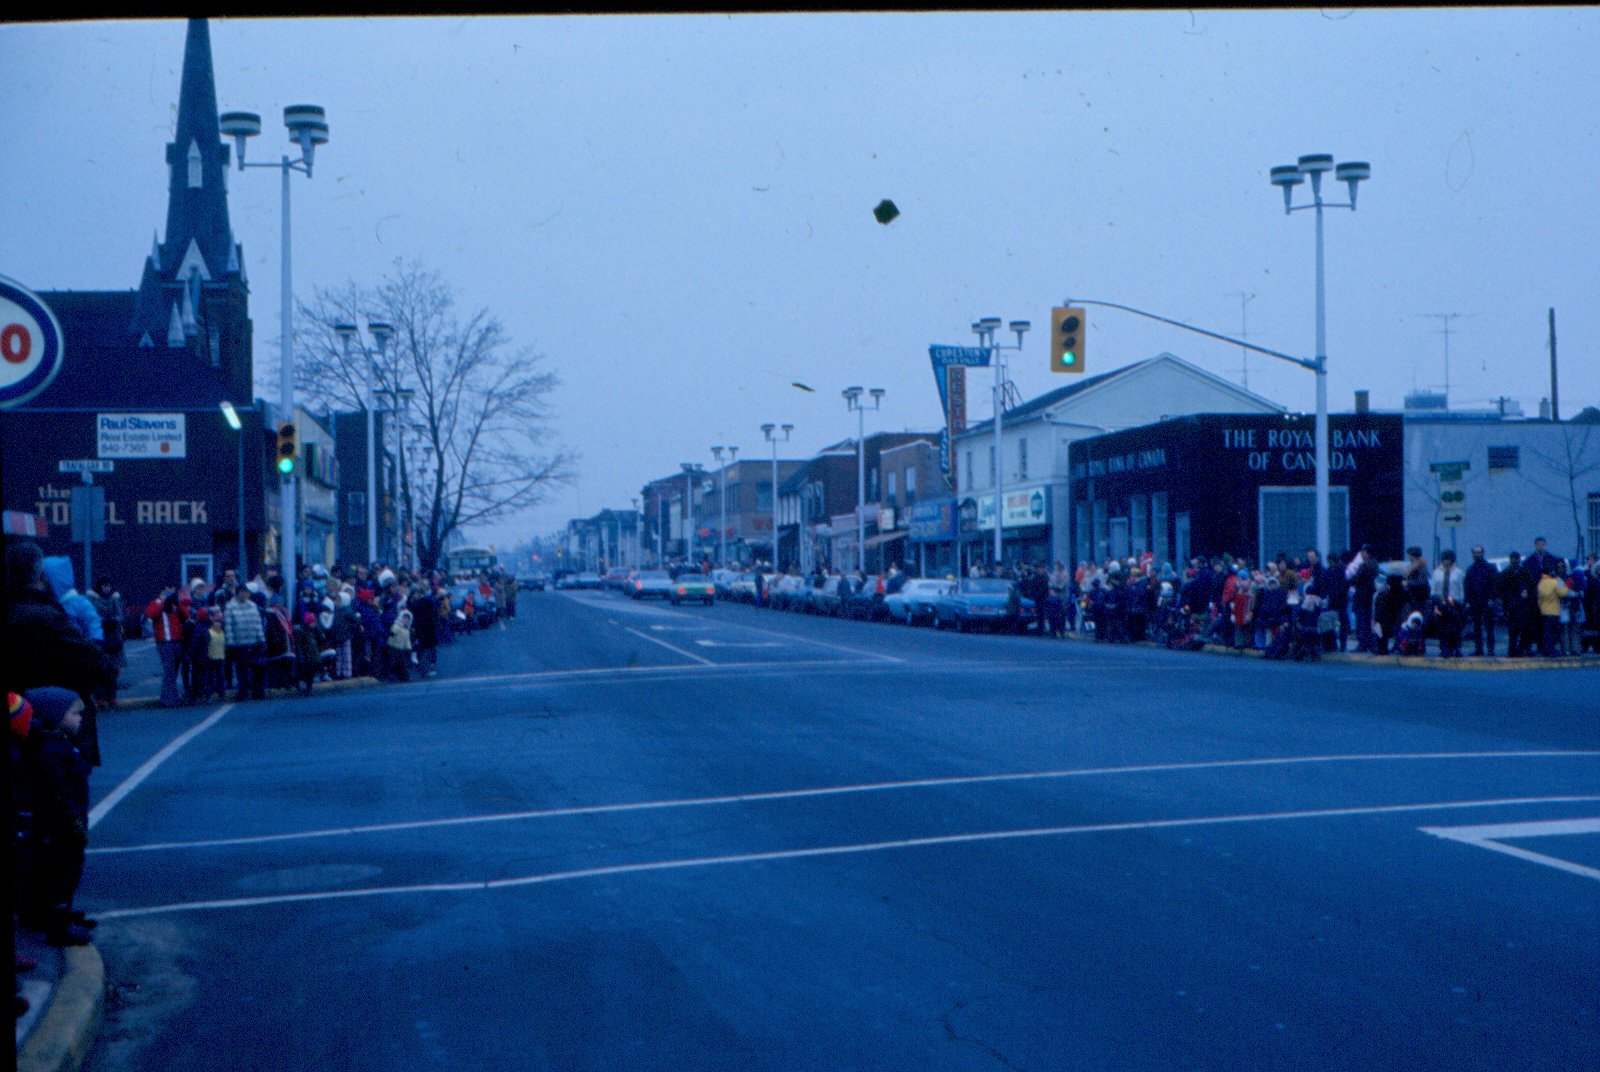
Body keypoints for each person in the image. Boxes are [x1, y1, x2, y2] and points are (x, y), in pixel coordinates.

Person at [4, 542, 114, 767]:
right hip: (55, 717)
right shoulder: (49, 617)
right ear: (41, 575)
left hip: (14, 712)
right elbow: (96, 662)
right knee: (63, 788)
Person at [19, 687, 94, 946]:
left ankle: (57, 914)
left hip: (64, 820)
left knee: (61, 870)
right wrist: (73, 822)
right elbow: (57, 792)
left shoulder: (59, 743)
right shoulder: (51, 750)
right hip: (60, 824)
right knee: (62, 872)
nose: (81, 718)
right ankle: (58, 924)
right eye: (75, 713)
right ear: (56, 716)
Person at [85, 576, 126, 707]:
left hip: (113, 637)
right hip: (98, 636)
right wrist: (102, 621)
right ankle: (100, 698)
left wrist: (114, 620)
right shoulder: (92, 599)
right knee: (99, 668)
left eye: (108, 586)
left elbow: (120, 615)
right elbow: (90, 615)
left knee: (112, 670)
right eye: (104, 586)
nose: (106, 589)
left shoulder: (115, 599)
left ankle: (112, 697)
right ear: (100, 587)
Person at [223, 582, 267, 701]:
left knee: (257, 668)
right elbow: (228, 626)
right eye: (243, 593)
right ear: (238, 593)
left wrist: (261, 639)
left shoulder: (253, 605)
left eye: (247, 593)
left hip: (254, 642)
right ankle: (243, 692)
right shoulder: (230, 606)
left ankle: (258, 691)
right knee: (241, 670)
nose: (245, 595)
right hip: (239, 643)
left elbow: (258, 624)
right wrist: (230, 642)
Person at [1463, 546, 1499, 657]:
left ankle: (1491, 650)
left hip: (1487, 602)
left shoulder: (1490, 568)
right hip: (1475, 602)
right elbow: (1467, 586)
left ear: (1483, 553)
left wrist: (1492, 598)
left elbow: (1494, 585)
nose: (1476, 554)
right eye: (1474, 552)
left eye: (1478, 552)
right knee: (1477, 627)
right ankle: (1479, 650)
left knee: (1489, 627)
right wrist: (1467, 601)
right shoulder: (1470, 569)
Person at [1348, 545, 1380, 653]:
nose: (1361, 554)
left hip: (1361, 596)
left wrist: (1350, 579)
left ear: (1366, 553)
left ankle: (1362, 644)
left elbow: (1356, 579)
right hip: (1370, 596)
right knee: (1368, 622)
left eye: (1362, 552)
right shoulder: (1375, 564)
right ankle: (1371, 644)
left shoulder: (1364, 565)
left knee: (1361, 622)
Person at [1536, 563, 1569, 658]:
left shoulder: (1541, 583)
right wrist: (1567, 585)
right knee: (1554, 632)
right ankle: (1552, 650)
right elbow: (1562, 593)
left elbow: (1539, 598)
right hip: (1554, 611)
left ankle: (1546, 649)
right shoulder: (1554, 582)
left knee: (1546, 632)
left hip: (1544, 611)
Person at [387, 608, 414, 682]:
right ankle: (392, 676)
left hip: (401, 648)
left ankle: (403, 677)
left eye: (407, 619)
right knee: (393, 663)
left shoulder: (407, 629)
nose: (406, 620)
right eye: (404, 618)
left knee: (401, 663)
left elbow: (407, 640)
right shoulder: (396, 626)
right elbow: (392, 634)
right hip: (394, 648)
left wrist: (408, 648)